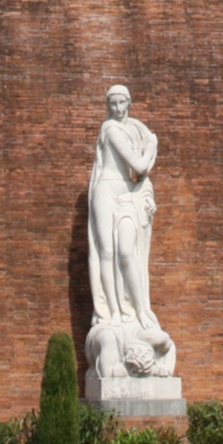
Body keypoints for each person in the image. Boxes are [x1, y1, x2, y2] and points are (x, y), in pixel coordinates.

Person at [87, 84, 160, 332]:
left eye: (122, 103)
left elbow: (140, 172)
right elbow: (139, 166)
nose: (117, 108)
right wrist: (151, 150)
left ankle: (140, 309)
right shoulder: (110, 129)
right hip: (106, 192)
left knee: (127, 253)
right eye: (113, 104)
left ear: (129, 102)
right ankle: (113, 312)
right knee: (106, 252)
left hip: (127, 195)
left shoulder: (135, 128)